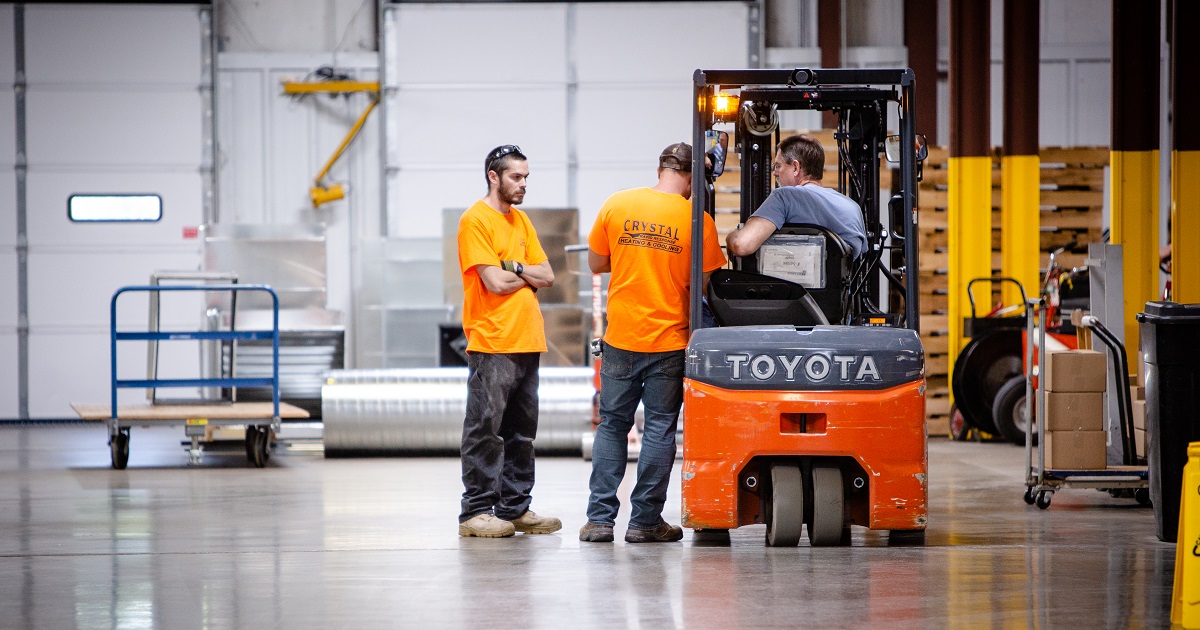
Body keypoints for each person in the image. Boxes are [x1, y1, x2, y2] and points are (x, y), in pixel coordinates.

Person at [580, 142, 727, 543]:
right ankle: (645, 523)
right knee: (660, 429)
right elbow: (709, 284)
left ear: (660, 167)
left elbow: (596, 263)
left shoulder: (617, 204)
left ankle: (599, 522)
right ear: (693, 176)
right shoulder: (700, 220)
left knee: (611, 426)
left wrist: (631, 257)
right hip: (669, 342)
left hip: (621, 338)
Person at [455, 144, 562, 538]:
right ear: (493, 177)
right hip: (493, 340)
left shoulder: (521, 221)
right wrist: (524, 274)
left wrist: (514, 266)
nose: (523, 184)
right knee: (485, 429)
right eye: (516, 177)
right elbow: (494, 283)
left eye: (526, 178)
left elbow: (549, 275)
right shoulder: (475, 221)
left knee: (521, 433)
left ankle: (515, 508)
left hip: (527, 339)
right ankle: (476, 512)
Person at [725, 134, 867, 259]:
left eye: (778, 166)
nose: (775, 173)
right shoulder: (853, 207)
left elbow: (742, 245)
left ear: (795, 167)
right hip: (841, 290)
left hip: (789, 289)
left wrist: (731, 237)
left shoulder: (785, 197)